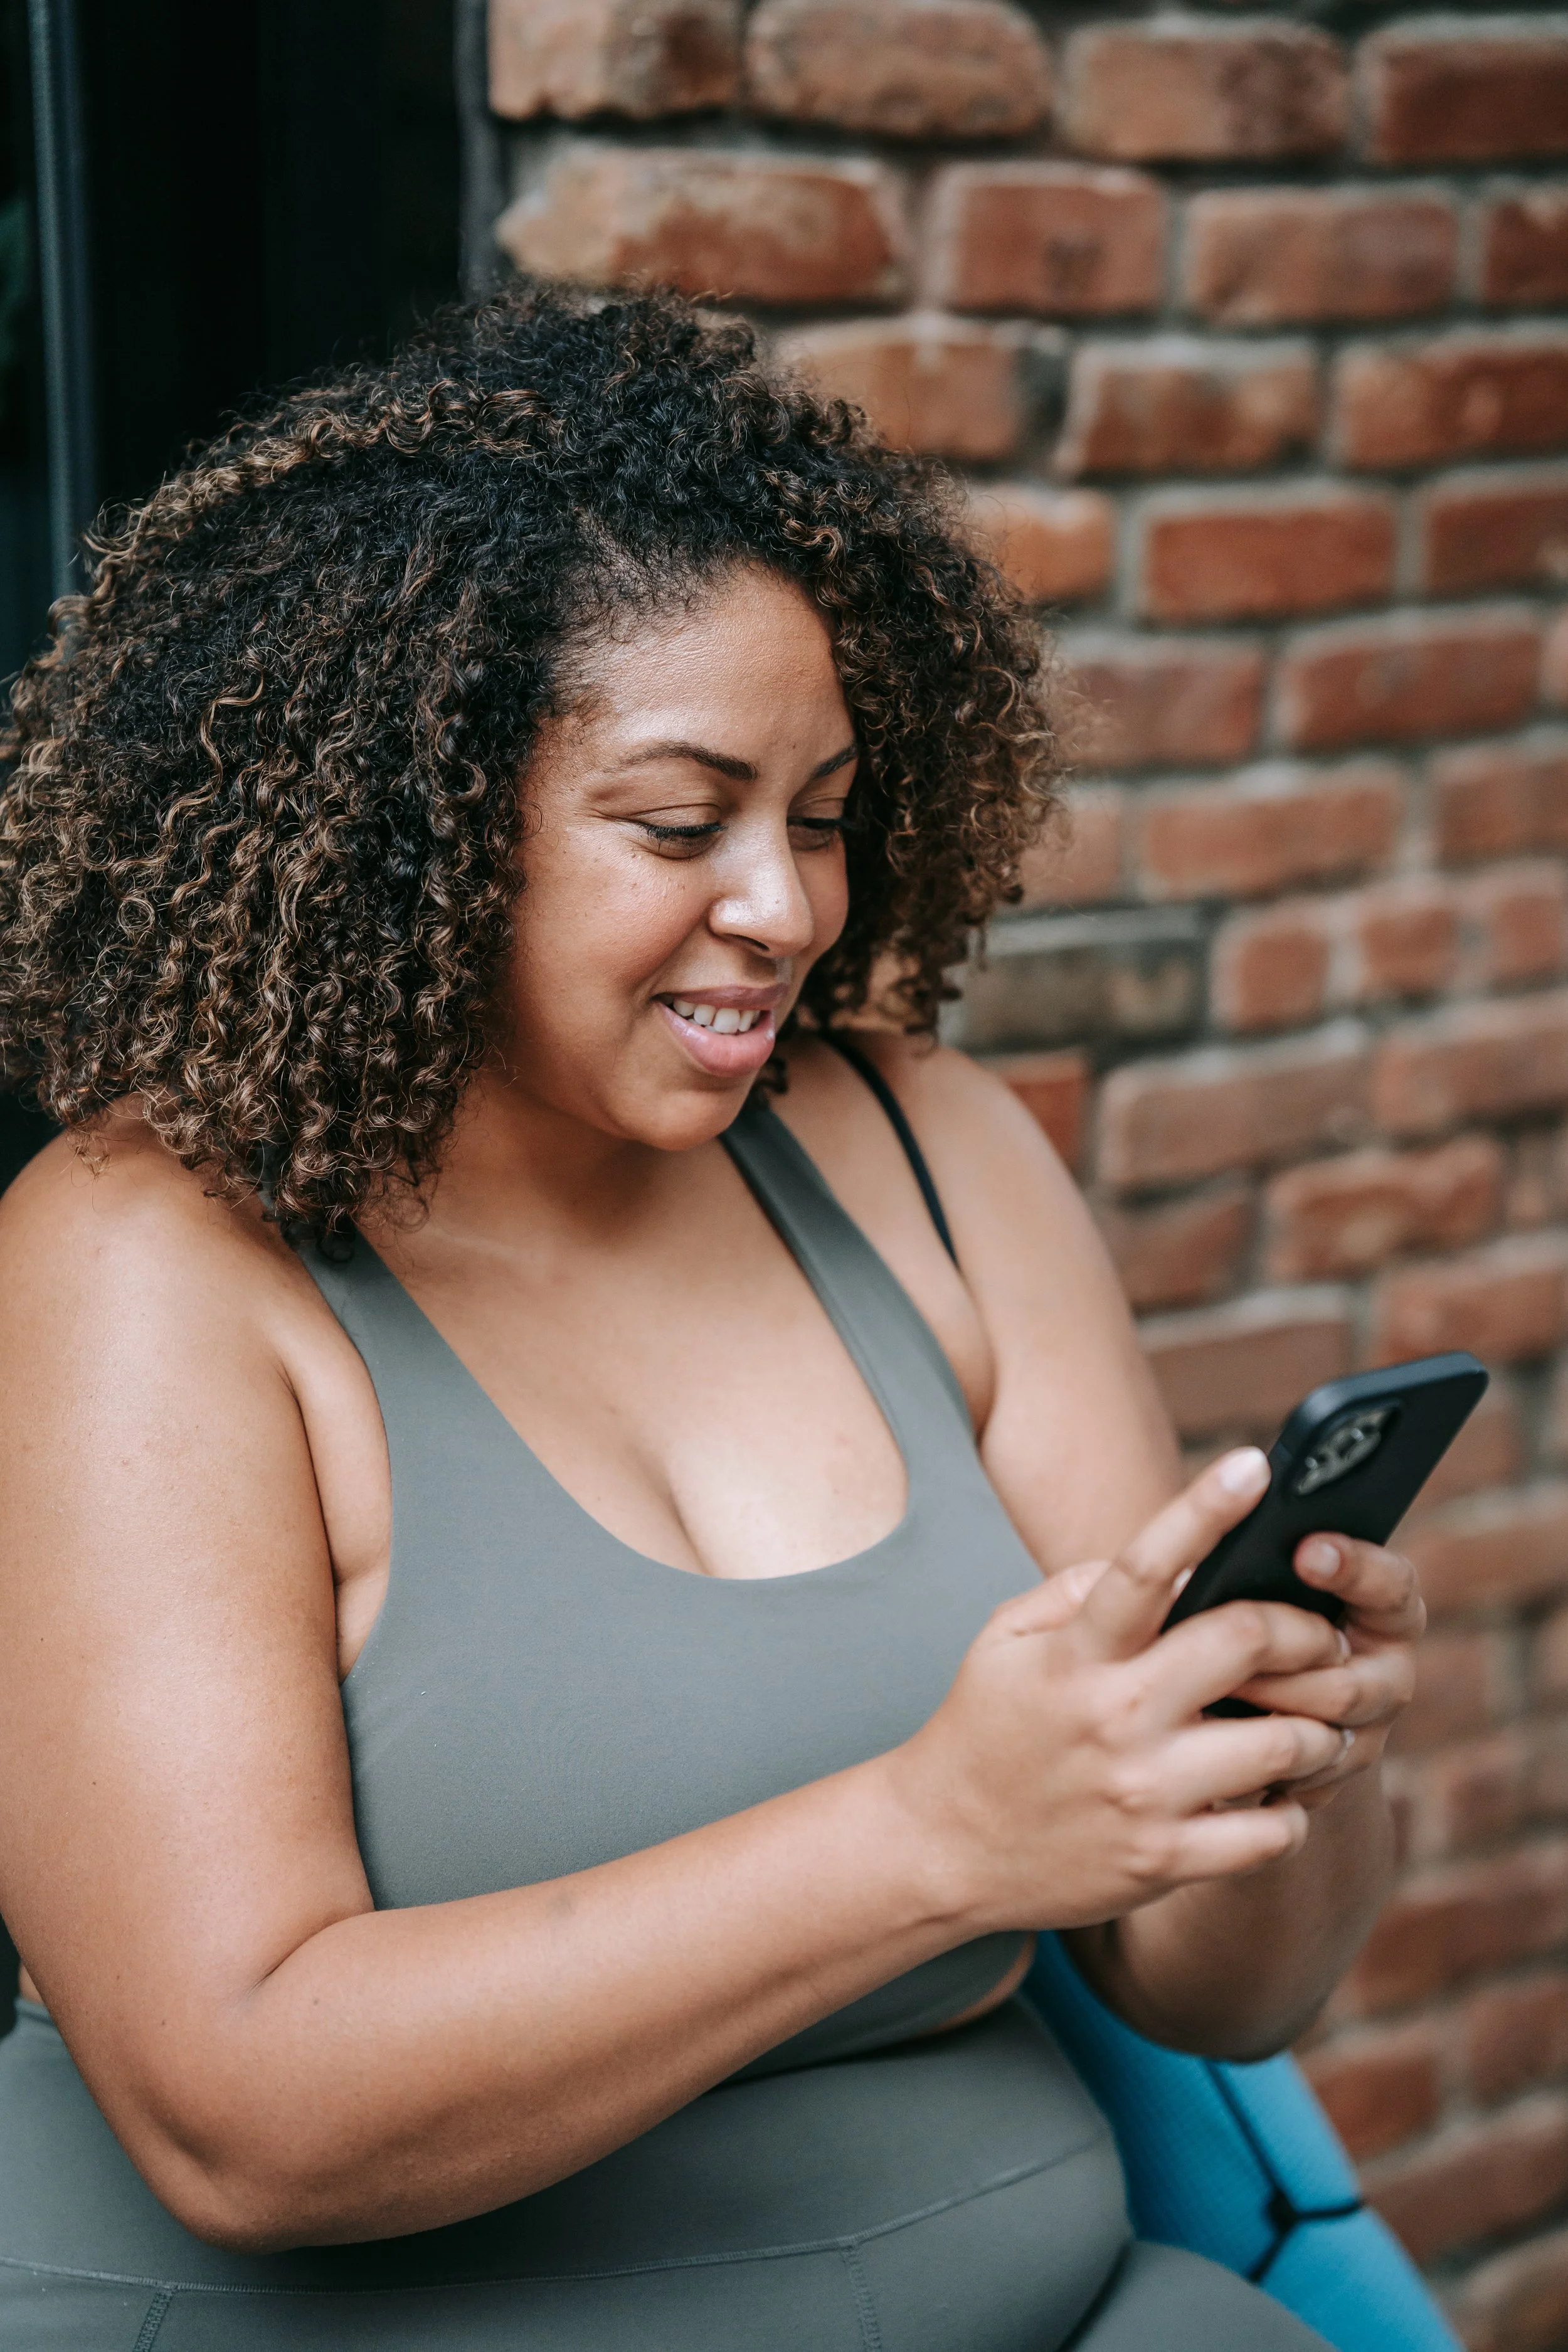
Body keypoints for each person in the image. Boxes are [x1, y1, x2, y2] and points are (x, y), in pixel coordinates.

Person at [0, 287, 1422, 2351]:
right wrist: (930, 1835)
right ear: (419, 825)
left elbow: (1223, 1986)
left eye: (822, 812)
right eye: (680, 824)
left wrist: (1279, 1753)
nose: (789, 905)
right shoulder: (144, 1254)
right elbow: (242, 2112)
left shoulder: (924, 1154)